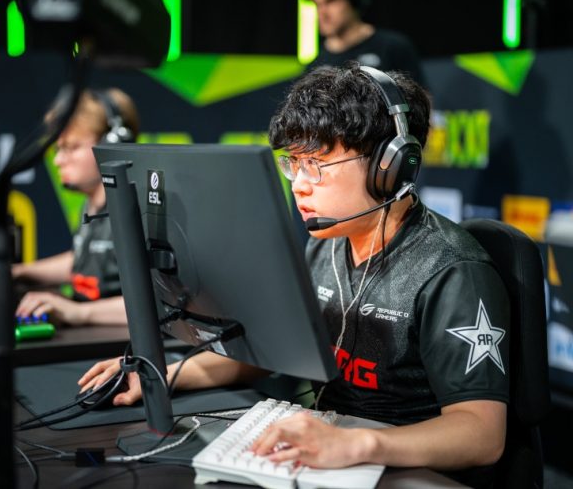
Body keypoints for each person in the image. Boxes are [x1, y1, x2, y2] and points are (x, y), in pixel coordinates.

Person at [78, 63, 509, 488]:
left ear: (388, 166)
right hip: (337, 453)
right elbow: (270, 354)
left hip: (412, 473)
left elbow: (481, 434)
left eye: (316, 164)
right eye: (294, 164)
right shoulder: (327, 243)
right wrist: (159, 375)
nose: (299, 185)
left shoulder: (451, 270)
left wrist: (357, 444)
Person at [0, 88, 139, 326]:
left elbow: (158, 305)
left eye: (71, 147)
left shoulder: (138, 209)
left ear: (114, 145)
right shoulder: (93, 204)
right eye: (58, 149)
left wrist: (78, 312)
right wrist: (11, 272)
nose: (58, 160)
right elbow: (83, 260)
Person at [303, 0, 426, 87]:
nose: (322, 13)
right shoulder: (314, 67)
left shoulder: (394, 48)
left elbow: (419, 98)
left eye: (330, 1)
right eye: (317, 4)